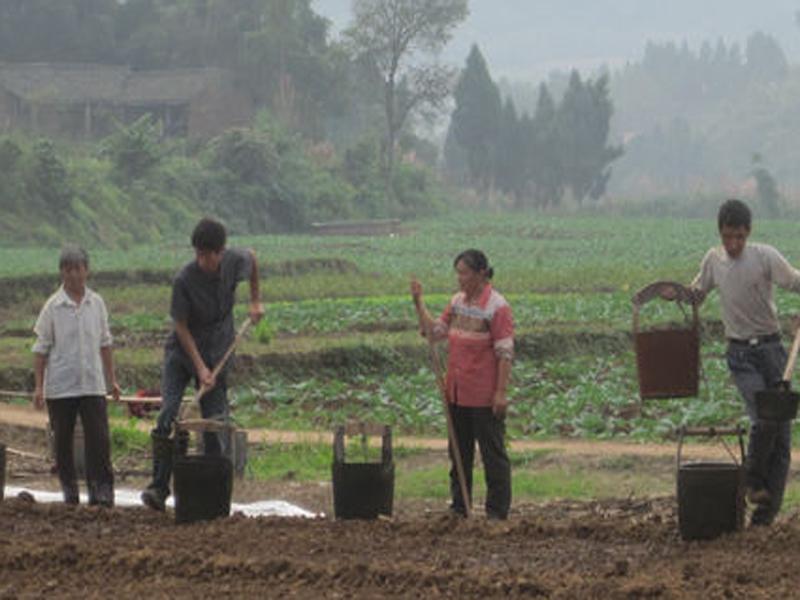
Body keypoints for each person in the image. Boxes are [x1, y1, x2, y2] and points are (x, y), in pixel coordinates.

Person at [667, 199, 800, 526]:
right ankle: (752, 481)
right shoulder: (714, 261)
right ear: (720, 234)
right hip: (740, 355)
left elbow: (796, 282)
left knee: (781, 439)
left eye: (739, 237)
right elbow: (697, 292)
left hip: (772, 351)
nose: (734, 244)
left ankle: (764, 518)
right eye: (728, 237)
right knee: (761, 418)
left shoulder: (765, 257)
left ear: (748, 233)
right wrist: (678, 294)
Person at [141, 217, 264, 511]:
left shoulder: (235, 260)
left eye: (208, 255)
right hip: (182, 355)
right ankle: (159, 487)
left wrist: (255, 301)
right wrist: (199, 368)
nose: (202, 260)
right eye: (198, 253)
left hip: (219, 349)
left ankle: (213, 492)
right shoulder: (184, 280)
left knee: (215, 423)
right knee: (170, 414)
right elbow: (181, 327)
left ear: (221, 252)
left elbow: (254, 259)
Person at [411, 249, 514, 519]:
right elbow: (434, 333)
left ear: (481, 273)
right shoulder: (456, 302)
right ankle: (460, 506)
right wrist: (418, 302)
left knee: (493, 455)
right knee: (459, 454)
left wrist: (501, 393)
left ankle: (496, 512)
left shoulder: (497, 307)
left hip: (483, 393)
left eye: (464, 273)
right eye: (457, 273)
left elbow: (505, 353)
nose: (460, 279)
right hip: (455, 392)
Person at [32, 245, 121, 506]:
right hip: (61, 386)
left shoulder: (97, 303)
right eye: (68, 270)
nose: (73, 275)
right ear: (62, 273)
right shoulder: (53, 307)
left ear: (87, 271)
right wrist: (39, 387)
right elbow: (40, 349)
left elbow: (105, 344)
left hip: (92, 383)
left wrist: (111, 379)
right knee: (63, 440)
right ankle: (69, 490)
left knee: (99, 439)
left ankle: (101, 490)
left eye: (78, 269)